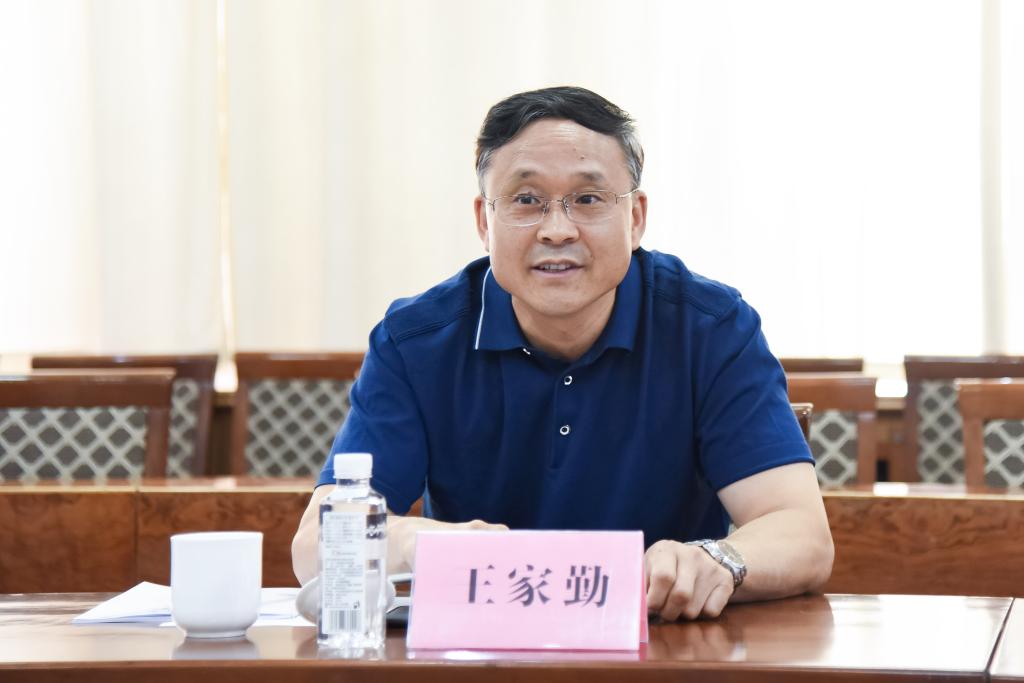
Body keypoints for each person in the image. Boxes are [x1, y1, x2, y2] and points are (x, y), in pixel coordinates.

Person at [292, 86, 834, 621]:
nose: (556, 230)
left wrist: (717, 560)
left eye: (588, 199)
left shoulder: (711, 328)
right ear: (484, 221)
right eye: (526, 200)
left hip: (663, 640)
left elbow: (803, 534)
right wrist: (418, 542)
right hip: (481, 644)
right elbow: (316, 543)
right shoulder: (415, 342)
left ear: (635, 217)